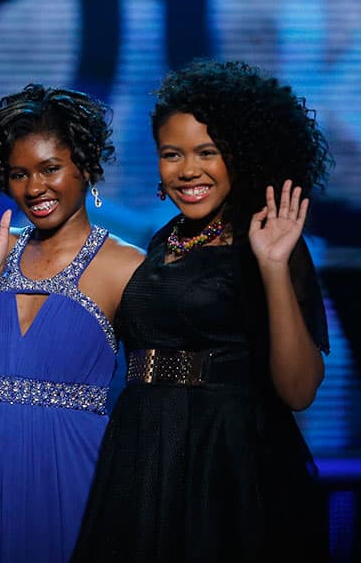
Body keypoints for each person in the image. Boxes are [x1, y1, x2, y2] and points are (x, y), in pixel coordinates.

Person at [71, 60, 333, 562]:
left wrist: (274, 266)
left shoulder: (266, 242)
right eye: (172, 154)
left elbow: (299, 390)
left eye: (207, 152)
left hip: (228, 458)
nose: (187, 170)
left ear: (243, 155)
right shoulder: (163, 239)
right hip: (145, 448)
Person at [0, 84, 144, 562]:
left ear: (84, 165)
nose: (34, 188)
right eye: (19, 174)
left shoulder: (125, 267)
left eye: (50, 169)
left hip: (76, 482)